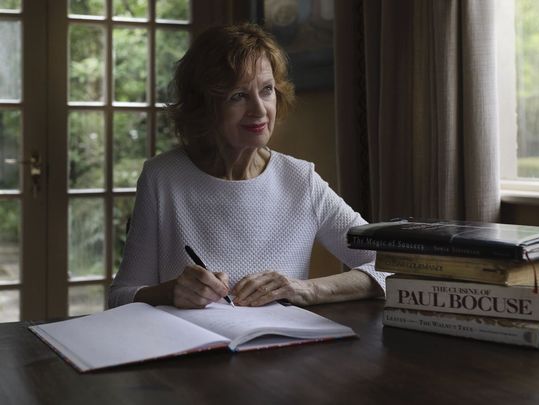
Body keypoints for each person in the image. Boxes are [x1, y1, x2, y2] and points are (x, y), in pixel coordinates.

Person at [108, 23, 387, 309]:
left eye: (266, 90)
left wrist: (305, 289)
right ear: (203, 106)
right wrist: (169, 293)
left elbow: (388, 266)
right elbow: (119, 298)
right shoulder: (162, 178)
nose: (259, 110)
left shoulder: (300, 180)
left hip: (282, 349)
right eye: (238, 96)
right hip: (192, 350)